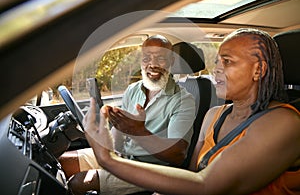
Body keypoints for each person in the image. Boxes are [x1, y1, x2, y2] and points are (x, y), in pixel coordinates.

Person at [83, 28, 300, 195]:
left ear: (258, 69)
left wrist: (107, 158)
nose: (216, 69)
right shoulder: (213, 115)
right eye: (216, 61)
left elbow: (206, 186)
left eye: (227, 61)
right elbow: (192, 174)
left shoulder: (284, 122)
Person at [59, 35, 196, 195]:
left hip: (153, 171)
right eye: (147, 58)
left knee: (78, 182)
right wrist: (107, 141)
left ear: (172, 61)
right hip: (123, 157)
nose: (152, 64)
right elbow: (119, 133)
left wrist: (139, 132)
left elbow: (177, 155)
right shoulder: (133, 90)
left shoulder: (183, 100)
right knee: (63, 162)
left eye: (160, 58)